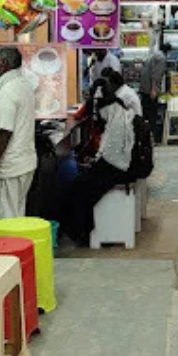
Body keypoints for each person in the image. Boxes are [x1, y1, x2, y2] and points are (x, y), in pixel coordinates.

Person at [60, 74, 138, 243]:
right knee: (79, 185)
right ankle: (82, 229)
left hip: (117, 167)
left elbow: (110, 152)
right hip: (117, 164)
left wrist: (95, 162)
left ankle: (83, 233)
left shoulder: (111, 113)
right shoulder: (117, 109)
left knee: (78, 190)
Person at [0, 46, 37, 223]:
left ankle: (7, 251)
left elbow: (5, 131)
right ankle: (15, 250)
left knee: (4, 220)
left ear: (4, 64)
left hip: (10, 168)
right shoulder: (20, 84)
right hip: (23, 163)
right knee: (16, 216)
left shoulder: (8, 91)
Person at [139, 41, 168, 126]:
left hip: (144, 87)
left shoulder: (154, 55)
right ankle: (151, 131)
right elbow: (156, 75)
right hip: (150, 89)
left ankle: (145, 132)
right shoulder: (161, 58)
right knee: (152, 113)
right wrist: (154, 90)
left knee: (145, 112)